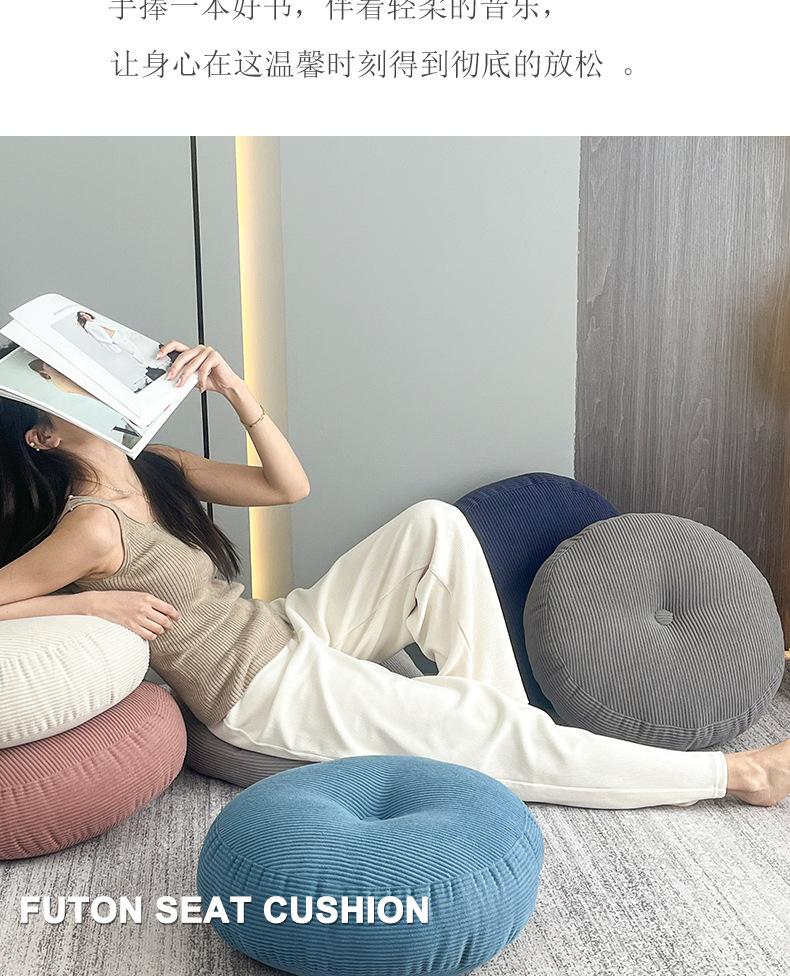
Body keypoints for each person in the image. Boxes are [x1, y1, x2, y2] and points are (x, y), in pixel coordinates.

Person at [0, 340, 788, 810]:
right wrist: (92, 607)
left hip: (283, 627)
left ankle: (503, 731)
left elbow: (287, 487)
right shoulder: (90, 526)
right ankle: (735, 774)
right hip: (258, 689)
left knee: (433, 526)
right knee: (478, 723)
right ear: (41, 436)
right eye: (60, 386)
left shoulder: (157, 467)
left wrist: (235, 391)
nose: (83, 386)